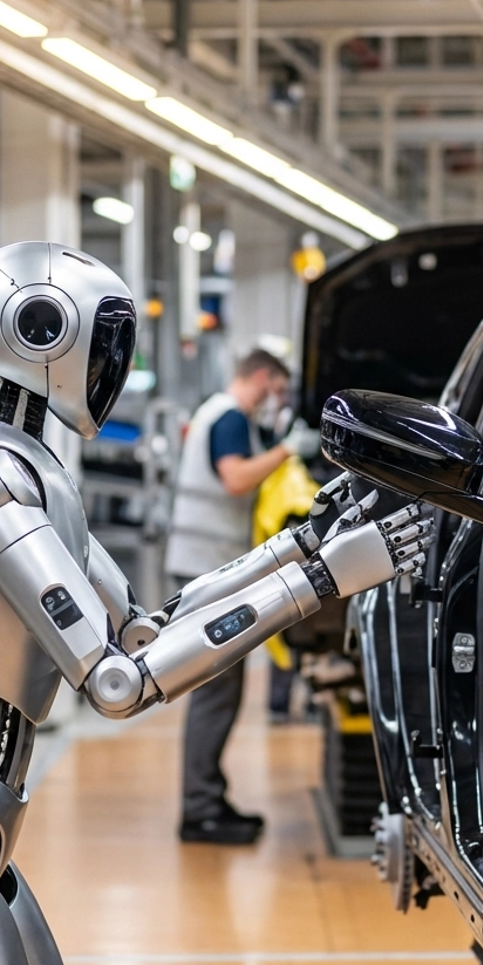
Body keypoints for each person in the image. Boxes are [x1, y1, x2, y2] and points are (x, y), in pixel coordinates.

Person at [166, 347, 319, 844]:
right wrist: (288, 450)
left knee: (220, 694)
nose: (276, 398)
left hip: (205, 571)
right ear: (259, 376)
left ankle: (208, 797)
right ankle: (200, 810)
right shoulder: (229, 417)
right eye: (274, 387)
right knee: (214, 694)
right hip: (206, 573)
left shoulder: (224, 415)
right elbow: (235, 479)